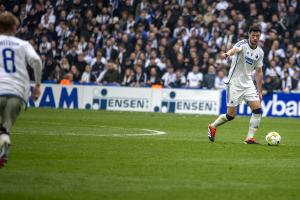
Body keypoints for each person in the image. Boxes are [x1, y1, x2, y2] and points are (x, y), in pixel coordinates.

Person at [208, 24, 264, 144]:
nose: (255, 38)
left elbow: (259, 72)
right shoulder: (242, 44)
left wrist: (259, 91)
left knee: (258, 110)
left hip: (248, 84)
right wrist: (228, 54)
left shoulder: (260, 52)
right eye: (253, 35)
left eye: (257, 36)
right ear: (249, 35)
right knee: (231, 115)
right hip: (234, 83)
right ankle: (212, 126)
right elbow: (235, 49)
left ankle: (249, 138)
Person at [0, 12, 42, 167]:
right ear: (14, 27)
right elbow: (36, 60)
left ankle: (3, 141)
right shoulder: (23, 44)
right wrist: (37, 85)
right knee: (5, 127)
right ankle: (4, 141)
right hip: (17, 92)